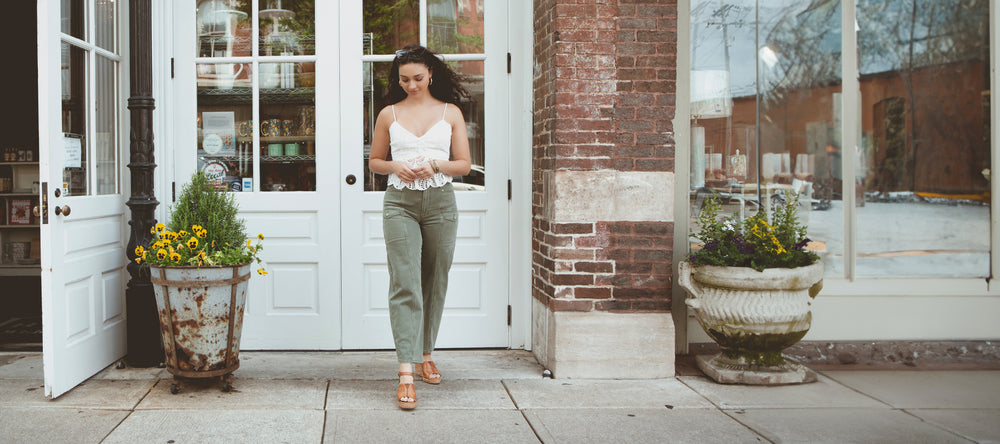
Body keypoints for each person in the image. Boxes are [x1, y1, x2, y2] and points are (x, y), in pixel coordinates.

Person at [368, 44, 472, 410]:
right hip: (400, 203)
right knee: (405, 281)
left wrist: (436, 165)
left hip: (441, 201)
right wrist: (395, 167)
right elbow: (375, 162)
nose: (411, 85)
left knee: (434, 279)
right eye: (403, 79)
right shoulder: (388, 114)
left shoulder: (451, 113)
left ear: (430, 74)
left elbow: (464, 165)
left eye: (417, 78)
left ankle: (426, 352)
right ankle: (405, 371)